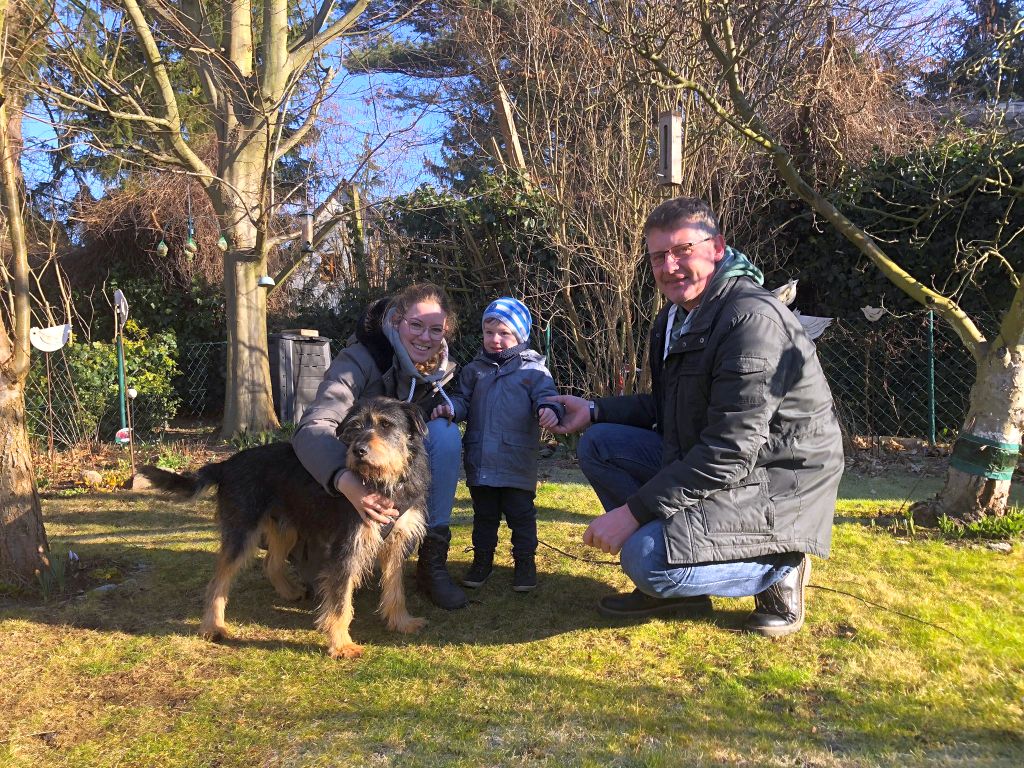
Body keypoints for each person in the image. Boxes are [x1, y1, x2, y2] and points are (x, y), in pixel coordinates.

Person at [550, 197, 844, 637]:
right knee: (600, 444)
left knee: (645, 559)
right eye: (657, 257)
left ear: (717, 248)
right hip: (726, 466)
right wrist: (594, 410)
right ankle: (682, 582)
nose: (669, 267)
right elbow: (669, 407)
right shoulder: (675, 318)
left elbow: (729, 450)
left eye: (682, 250)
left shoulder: (752, 321)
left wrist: (633, 513)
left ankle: (779, 563)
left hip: (777, 484)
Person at [292, 283, 467, 610]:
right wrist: (345, 481)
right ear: (397, 321)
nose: (425, 337)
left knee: (444, 433)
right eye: (416, 325)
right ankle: (304, 545)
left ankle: (432, 558)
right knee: (322, 575)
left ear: (446, 332)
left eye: (435, 329)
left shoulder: (442, 372)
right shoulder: (358, 360)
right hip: (341, 490)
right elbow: (313, 427)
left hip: (397, 485)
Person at [434, 298, 563, 593]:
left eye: (504, 333)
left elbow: (548, 396)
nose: (495, 339)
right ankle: (482, 561)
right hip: (481, 460)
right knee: (484, 517)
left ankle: (525, 563)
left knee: (521, 516)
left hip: (517, 461)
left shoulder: (533, 370)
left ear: (520, 335)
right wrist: (451, 408)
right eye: (489, 332)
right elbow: (463, 401)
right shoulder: (474, 370)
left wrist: (550, 410)